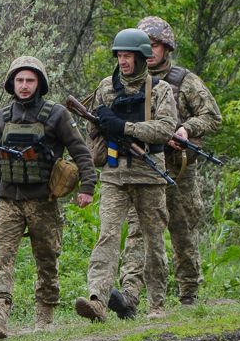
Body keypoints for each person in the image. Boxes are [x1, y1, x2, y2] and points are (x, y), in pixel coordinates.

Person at [0, 56, 96, 338]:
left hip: (44, 200)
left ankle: (45, 315)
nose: (24, 86)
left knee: (46, 257)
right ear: (11, 84)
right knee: (2, 255)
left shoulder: (56, 115)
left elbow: (80, 151)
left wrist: (87, 186)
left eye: (30, 80)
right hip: (9, 199)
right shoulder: (2, 117)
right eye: (19, 80)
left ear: (39, 83)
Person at [118, 16, 223, 312]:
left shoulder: (184, 81)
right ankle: (130, 294)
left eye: (153, 46)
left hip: (178, 166)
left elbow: (213, 117)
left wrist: (186, 129)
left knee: (182, 227)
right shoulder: (127, 82)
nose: (148, 52)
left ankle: (188, 291)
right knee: (139, 230)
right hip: (143, 164)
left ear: (166, 47)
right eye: (142, 46)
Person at [74, 28, 178, 322]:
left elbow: (165, 128)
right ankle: (97, 299)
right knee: (107, 235)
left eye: (128, 56)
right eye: (119, 55)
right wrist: (102, 130)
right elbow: (92, 126)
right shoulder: (106, 87)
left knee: (153, 239)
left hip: (149, 174)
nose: (123, 61)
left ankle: (157, 304)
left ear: (142, 58)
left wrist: (125, 128)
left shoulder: (160, 90)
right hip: (114, 173)